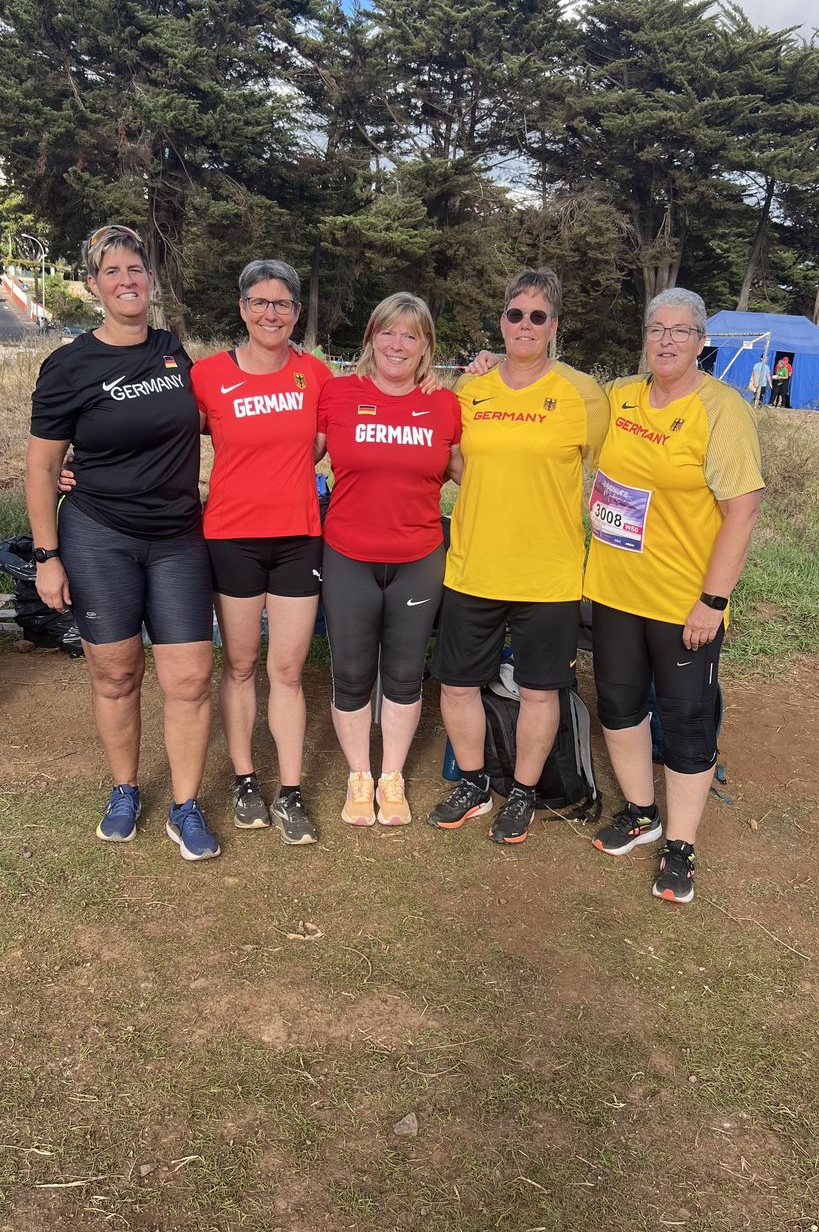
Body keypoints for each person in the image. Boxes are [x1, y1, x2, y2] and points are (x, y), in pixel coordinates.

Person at [26, 224, 219, 861]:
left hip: (178, 537)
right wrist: (47, 557)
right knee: (115, 672)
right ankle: (125, 789)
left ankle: (185, 806)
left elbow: (224, 408)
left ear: (151, 280)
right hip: (98, 535)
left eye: (136, 269)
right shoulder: (68, 365)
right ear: (93, 285)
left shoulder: (173, 350)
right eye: (112, 271)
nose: (127, 280)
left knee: (190, 678)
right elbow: (41, 467)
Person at [586, 287, 764, 904]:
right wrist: (489, 367)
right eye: (656, 328)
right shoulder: (620, 395)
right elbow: (555, 403)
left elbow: (742, 511)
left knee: (686, 720)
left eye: (680, 330)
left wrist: (712, 601)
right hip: (614, 589)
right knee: (618, 705)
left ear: (701, 341)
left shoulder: (721, 409)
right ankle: (642, 813)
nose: (666, 340)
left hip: (684, 600)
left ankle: (681, 845)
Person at [426, 268, 609, 845]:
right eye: (514, 314)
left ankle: (524, 791)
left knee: (539, 690)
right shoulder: (471, 388)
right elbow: (451, 458)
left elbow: (612, 469)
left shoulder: (583, 393)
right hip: (474, 565)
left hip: (548, 573)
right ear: (502, 321)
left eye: (537, 316)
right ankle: (475, 781)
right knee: (457, 684)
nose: (524, 325)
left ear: (553, 325)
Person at [189, 260, 332, 844]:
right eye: (259, 302)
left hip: (298, 536)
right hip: (231, 536)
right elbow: (159, 434)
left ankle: (290, 792)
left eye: (282, 304)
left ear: (296, 312)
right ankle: (245, 780)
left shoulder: (315, 373)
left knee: (289, 670)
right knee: (242, 664)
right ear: (242, 308)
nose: (271, 314)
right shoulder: (207, 375)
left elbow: (322, 443)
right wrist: (81, 467)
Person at [316, 294, 462, 826]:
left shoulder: (445, 405)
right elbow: (291, 455)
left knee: (403, 675)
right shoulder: (338, 393)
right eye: (388, 332)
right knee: (352, 673)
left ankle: (391, 777)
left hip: (418, 557)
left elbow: (476, 473)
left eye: (411, 335)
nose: (398, 344)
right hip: (348, 555)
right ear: (371, 338)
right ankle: (360, 776)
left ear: (426, 346)